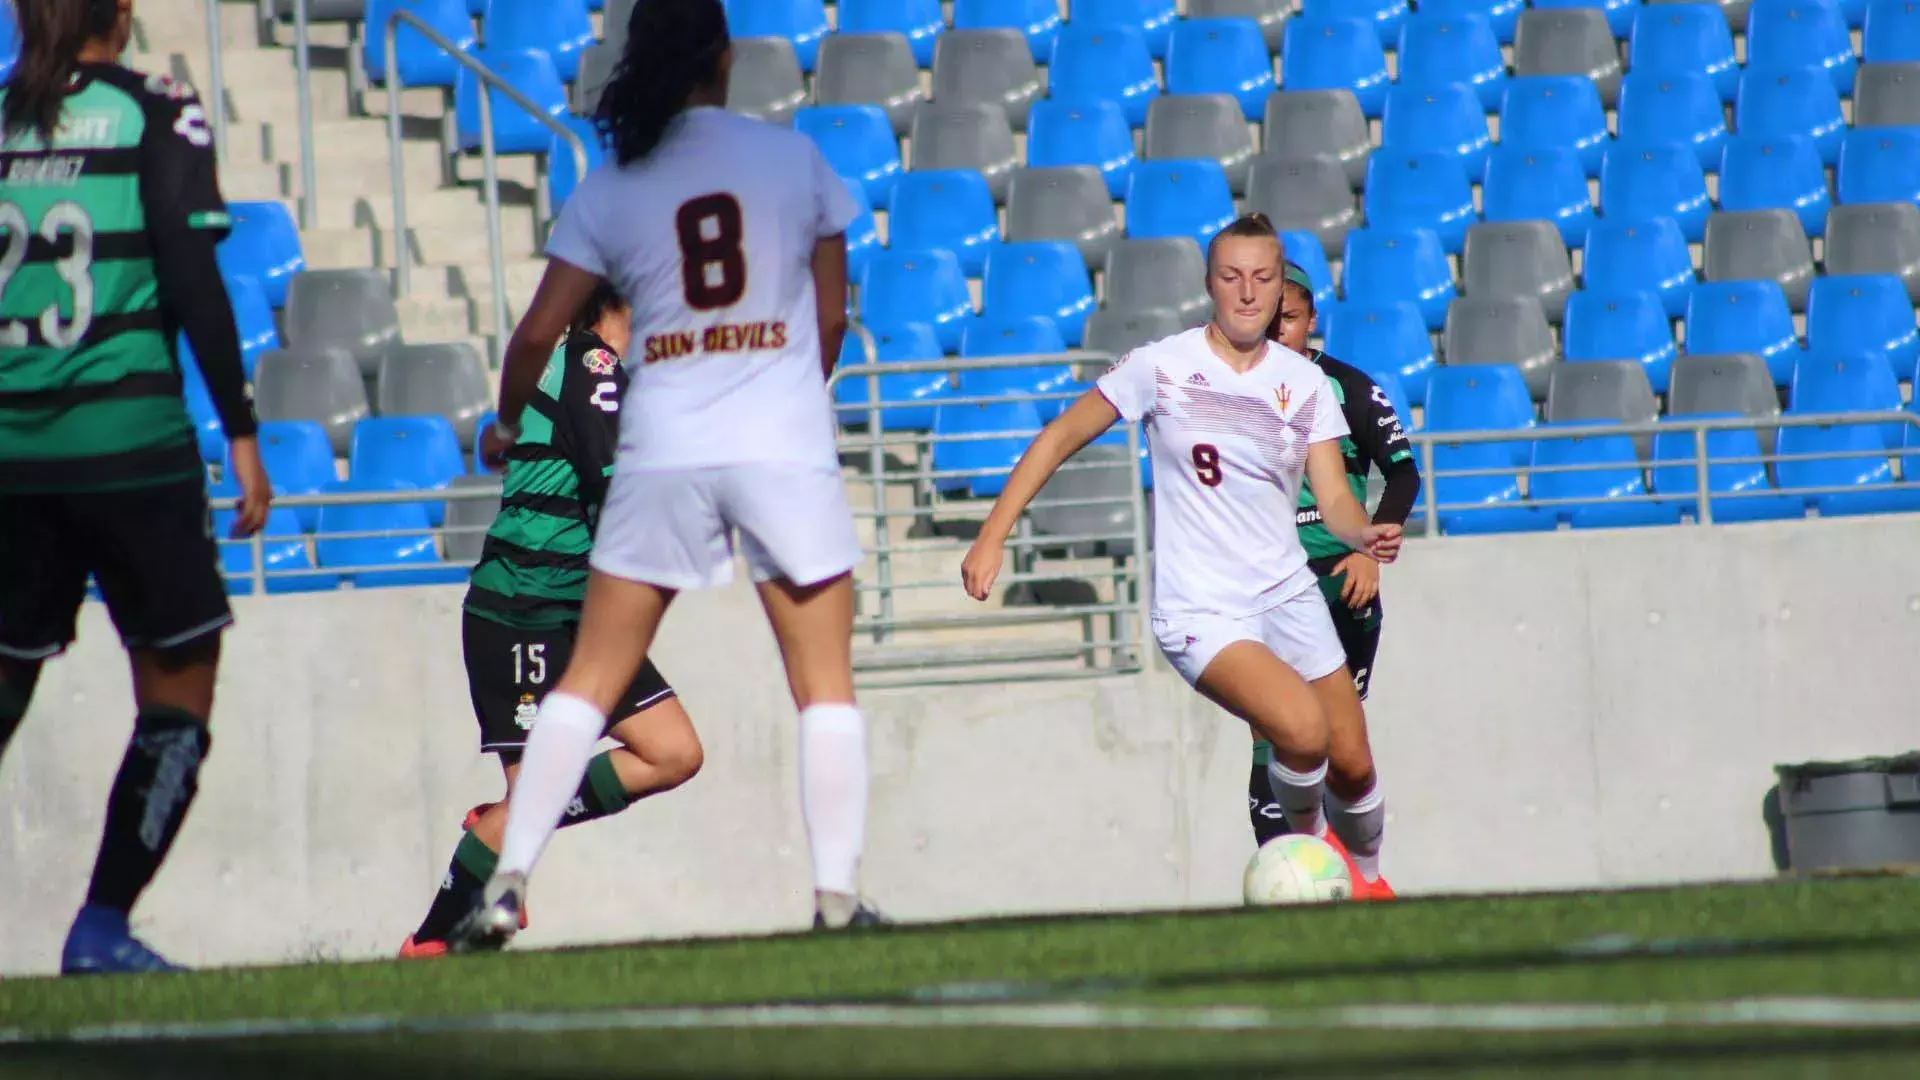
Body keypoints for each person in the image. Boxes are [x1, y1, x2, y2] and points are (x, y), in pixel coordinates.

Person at [451, 0, 880, 951]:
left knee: (588, 679)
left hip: (664, 442)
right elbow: (831, 321)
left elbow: (534, 335)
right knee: (824, 687)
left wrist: (511, 420)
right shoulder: (794, 161)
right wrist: (784, 398)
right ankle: (837, 899)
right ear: (725, 59)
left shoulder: (615, 181)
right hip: (777, 440)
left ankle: (508, 883)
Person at [960, 215, 1403, 901]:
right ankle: (1317, 864)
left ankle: (1372, 884)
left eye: (1263, 278)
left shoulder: (1304, 382)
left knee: (1353, 761)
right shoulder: (1162, 366)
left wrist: (1362, 534)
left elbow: (1337, 498)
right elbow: (1058, 437)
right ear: (1210, 284)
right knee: (1301, 730)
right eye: (1232, 277)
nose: (1249, 293)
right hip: (1201, 608)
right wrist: (993, 534)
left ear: (1280, 283)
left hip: (1287, 592)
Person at [0, 0, 272, 973]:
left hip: (14, 457)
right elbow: (192, 271)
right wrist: (241, 434)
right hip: (133, 450)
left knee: (9, 675)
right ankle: (102, 926)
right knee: (178, 690)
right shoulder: (156, 107)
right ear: (119, 15)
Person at [400, 283, 705, 957]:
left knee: (675, 752)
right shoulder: (590, 366)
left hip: (573, 612)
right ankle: (427, 943)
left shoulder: (610, 374)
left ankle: (505, 827)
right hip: (524, 613)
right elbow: (616, 489)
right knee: (509, 867)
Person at [1243, 263, 1420, 893]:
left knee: (1340, 750)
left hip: (1342, 586)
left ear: (1310, 319)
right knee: (1278, 735)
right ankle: (1295, 881)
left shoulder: (1345, 386)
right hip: (1267, 588)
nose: (1276, 330)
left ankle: (1362, 881)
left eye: (1287, 318)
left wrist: (1372, 548)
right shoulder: (1233, 390)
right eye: (1266, 318)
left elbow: (1402, 473)